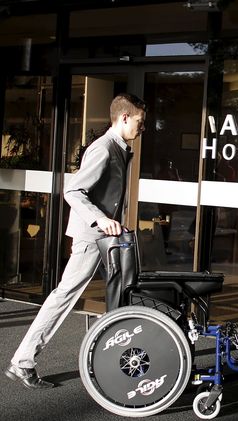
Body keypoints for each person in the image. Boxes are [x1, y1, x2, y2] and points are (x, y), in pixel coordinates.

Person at [5, 93, 146, 389]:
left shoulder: (119, 148)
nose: (140, 128)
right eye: (139, 122)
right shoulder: (104, 149)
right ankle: (22, 361)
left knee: (125, 292)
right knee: (65, 296)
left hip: (108, 237)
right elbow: (74, 191)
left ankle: (125, 357)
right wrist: (101, 219)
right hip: (92, 237)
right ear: (124, 118)